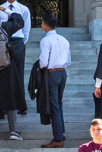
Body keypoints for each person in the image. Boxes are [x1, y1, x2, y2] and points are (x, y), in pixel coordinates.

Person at [0, 0, 31, 130]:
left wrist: (22, 42)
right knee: (2, 73)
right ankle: (1, 107)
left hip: (18, 42)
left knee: (18, 73)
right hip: (2, 43)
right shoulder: (0, 9)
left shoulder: (23, 9)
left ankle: (20, 105)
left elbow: (26, 28)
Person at [36, 14, 70, 147]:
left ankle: (57, 139)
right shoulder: (64, 40)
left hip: (52, 74)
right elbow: (68, 60)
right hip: (62, 73)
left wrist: (37, 66)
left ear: (44, 24)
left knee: (54, 105)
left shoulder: (45, 41)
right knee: (59, 104)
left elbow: (43, 62)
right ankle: (60, 133)